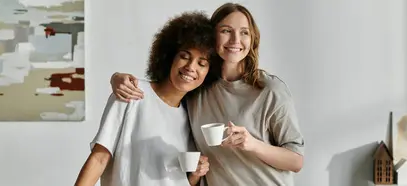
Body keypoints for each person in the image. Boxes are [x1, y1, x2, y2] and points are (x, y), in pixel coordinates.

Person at [109, 3, 305, 186]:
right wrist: (117, 78)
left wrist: (253, 144)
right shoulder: (197, 87)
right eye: (226, 31)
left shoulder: (269, 89)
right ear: (212, 36)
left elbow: (296, 161)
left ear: (252, 39)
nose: (236, 40)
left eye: (244, 33)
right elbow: (162, 94)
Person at [74, 11, 218, 186]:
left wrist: (195, 174)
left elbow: (179, 179)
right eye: (184, 56)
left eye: (201, 63)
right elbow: (99, 158)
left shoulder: (192, 114)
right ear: (169, 56)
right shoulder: (132, 93)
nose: (190, 67)